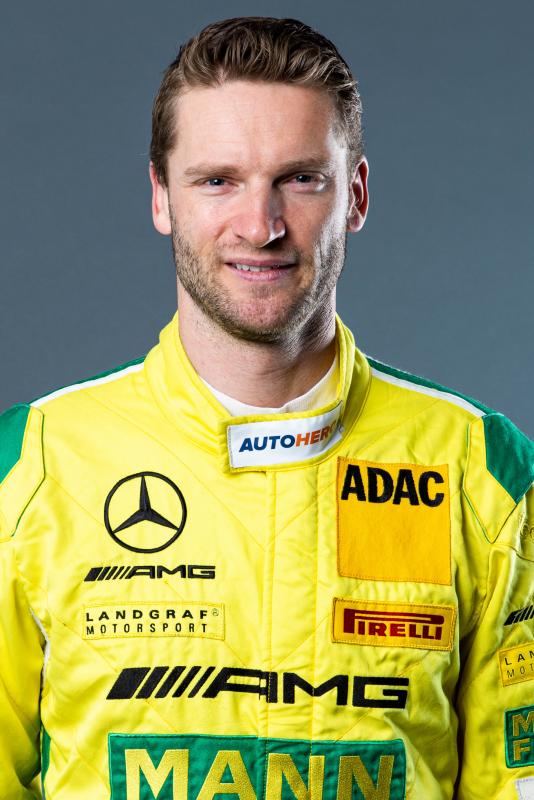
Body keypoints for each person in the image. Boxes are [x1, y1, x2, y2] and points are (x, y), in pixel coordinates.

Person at [0, 15, 532, 800]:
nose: (261, 226)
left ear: (355, 195)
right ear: (161, 197)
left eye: (301, 178)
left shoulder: (481, 468)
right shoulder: (33, 462)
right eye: (218, 180)